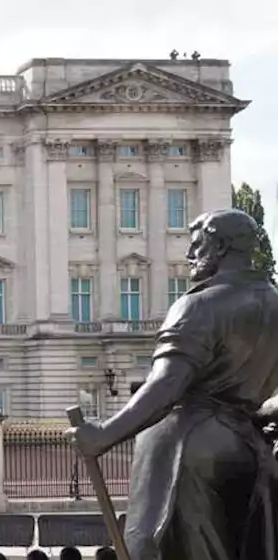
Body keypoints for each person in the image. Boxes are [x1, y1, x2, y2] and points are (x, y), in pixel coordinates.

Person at [66, 209, 279, 560]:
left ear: (222, 246)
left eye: (197, 245)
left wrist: (104, 434)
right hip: (250, 450)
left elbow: (167, 385)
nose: (189, 255)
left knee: (157, 546)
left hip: (188, 446)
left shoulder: (198, 304)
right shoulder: (274, 304)